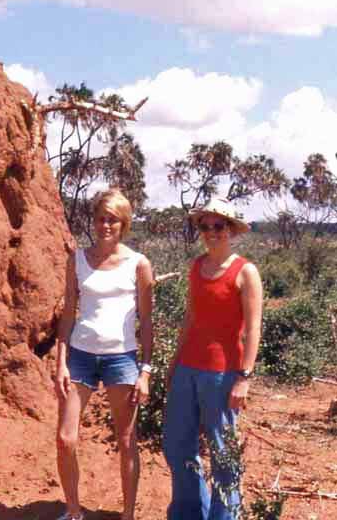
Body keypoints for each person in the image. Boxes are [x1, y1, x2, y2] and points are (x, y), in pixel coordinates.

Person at [54, 189, 154, 520]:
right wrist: (60, 364)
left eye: (112, 219)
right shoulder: (77, 260)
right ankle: (73, 512)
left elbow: (147, 321)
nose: (105, 224)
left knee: (126, 441)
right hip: (80, 356)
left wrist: (146, 371)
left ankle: (127, 514)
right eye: (100, 218)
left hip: (121, 359)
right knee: (66, 438)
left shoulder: (139, 264)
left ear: (123, 223)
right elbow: (68, 314)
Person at [163, 197, 263, 520]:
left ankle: (225, 515)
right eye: (205, 226)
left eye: (218, 226)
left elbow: (253, 328)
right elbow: (190, 318)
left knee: (223, 454)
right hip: (187, 370)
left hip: (222, 375)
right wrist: (174, 363)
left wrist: (244, 378)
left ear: (230, 229)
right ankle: (190, 512)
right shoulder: (196, 267)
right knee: (179, 447)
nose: (211, 232)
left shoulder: (245, 272)